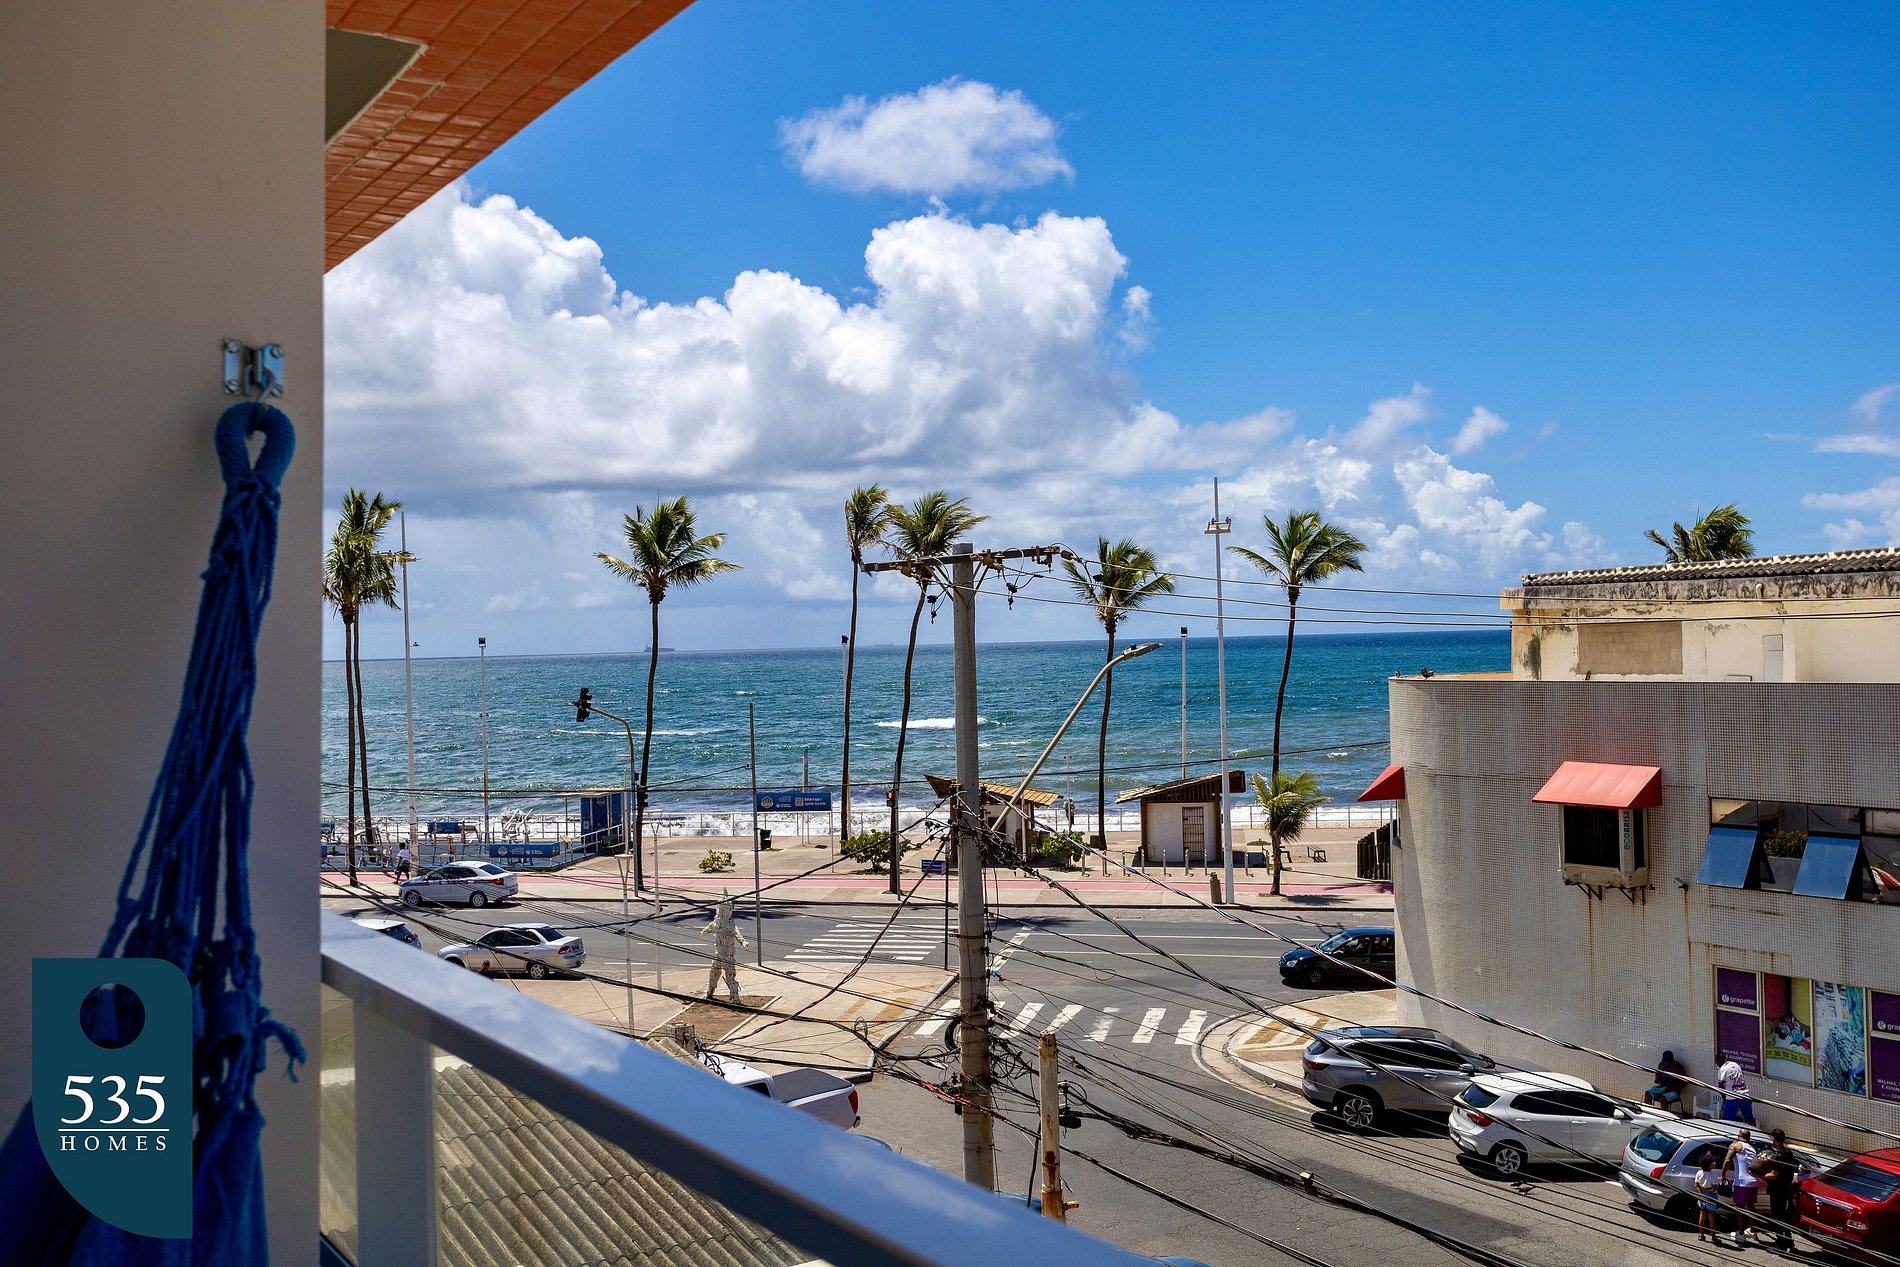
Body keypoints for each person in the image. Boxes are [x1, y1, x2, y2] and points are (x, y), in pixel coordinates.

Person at [1752, 1127, 1799, 1250]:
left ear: (1774, 1139)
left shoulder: (1779, 1157)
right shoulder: (1788, 1153)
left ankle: (1781, 1243)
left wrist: (1759, 1175)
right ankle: (1788, 1241)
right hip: (1785, 1189)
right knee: (1783, 1215)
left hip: (1777, 1190)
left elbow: (1773, 1175)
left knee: (1776, 1217)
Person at [699, 894, 750, 1004]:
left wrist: (743, 942)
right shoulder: (716, 922)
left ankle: (735, 999)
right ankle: (709, 993)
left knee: (730, 977)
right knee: (713, 973)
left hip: (728, 955)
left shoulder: (730, 923)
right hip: (718, 954)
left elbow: (737, 934)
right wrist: (704, 931)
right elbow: (709, 928)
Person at [1724, 1128, 1760, 1248]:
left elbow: (1727, 1160)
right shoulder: (1752, 1149)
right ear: (1749, 1138)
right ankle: (1753, 1231)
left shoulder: (1736, 1145)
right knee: (1751, 1206)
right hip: (1753, 1182)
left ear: (1738, 1136)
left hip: (1742, 1183)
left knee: (1740, 1208)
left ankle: (1740, 1233)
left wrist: (1722, 1175)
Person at [1692, 1150, 1725, 1244]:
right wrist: (1708, 1189)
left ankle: (1701, 1234)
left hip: (1701, 1195)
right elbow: (1713, 1189)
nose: (1714, 1163)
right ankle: (1713, 1236)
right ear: (1708, 1165)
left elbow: (1696, 1185)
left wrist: (1701, 1193)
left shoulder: (1699, 1173)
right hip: (1711, 1197)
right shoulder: (1713, 1176)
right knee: (1711, 1216)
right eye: (1712, 1162)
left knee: (1702, 1215)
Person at [1716, 1053, 1756, 1124]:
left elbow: (1721, 1086)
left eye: (1716, 1062)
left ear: (1719, 1061)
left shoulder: (1722, 1069)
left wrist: (1724, 1100)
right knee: (1750, 1118)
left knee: (1728, 1122)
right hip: (1745, 1095)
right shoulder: (1735, 1065)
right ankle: (1754, 1130)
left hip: (1732, 1098)